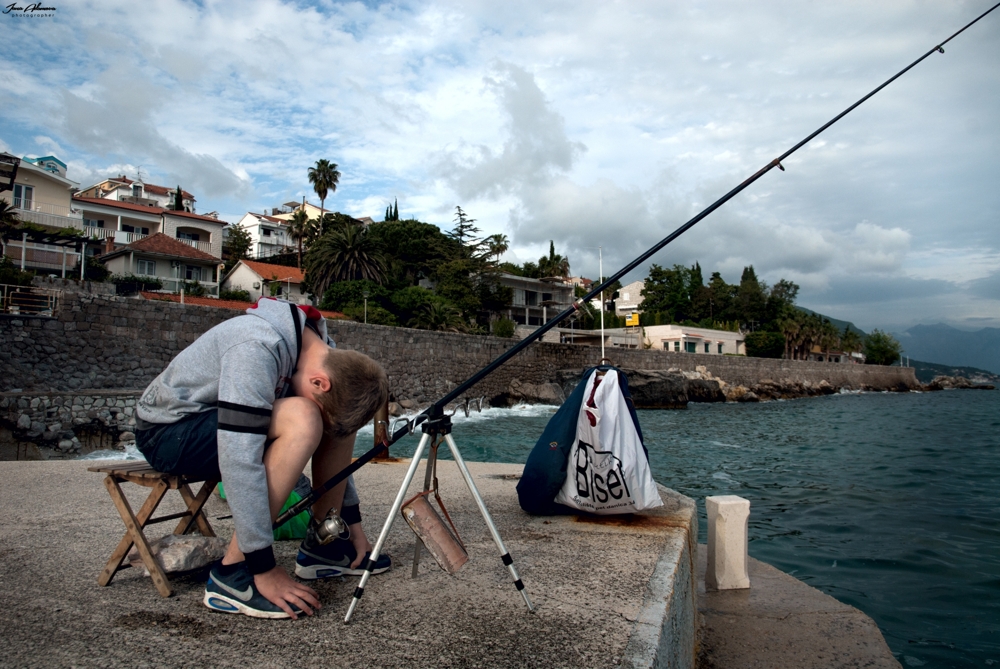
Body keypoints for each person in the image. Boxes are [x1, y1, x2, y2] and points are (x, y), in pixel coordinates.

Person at [135, 297, 390, 619]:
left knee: (337, 424)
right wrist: (263, 566)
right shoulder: (256, 346)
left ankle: (326, 546)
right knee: (305, 416)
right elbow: (239, 457)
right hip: (169, 434)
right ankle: (233, 574)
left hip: (227, 429)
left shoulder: (324, 354)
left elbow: (334, 435)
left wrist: (350, 524)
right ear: (318, 382)